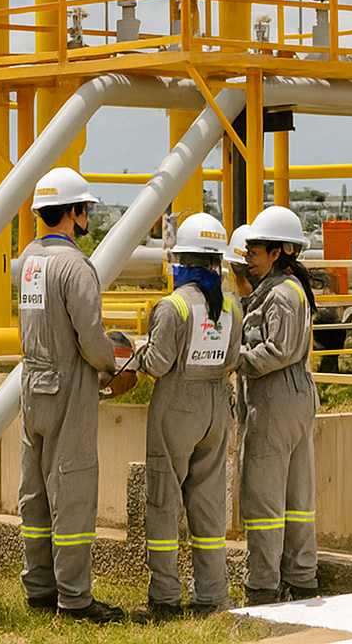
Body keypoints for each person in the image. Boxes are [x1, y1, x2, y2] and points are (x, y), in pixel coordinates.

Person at [14, 168, 124, 623]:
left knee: (35, 493)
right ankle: (75, 599)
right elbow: (91, 338)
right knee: (72, 488)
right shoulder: (75, 266)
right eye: (86, 210)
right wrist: (115, 366)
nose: (87, 217)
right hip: (68, 389)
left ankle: (39, 589)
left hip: (32, 385)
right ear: (75, 212)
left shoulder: (28, 260)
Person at [131, 213, 242, 622]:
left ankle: (164, 597)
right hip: (217, 405)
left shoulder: (173, 306)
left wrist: (138, 353)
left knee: (163, 501)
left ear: (182, 261)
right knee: (209, 504)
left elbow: (158, 363)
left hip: (177, 407)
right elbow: (232, 359)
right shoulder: (232, 305)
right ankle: (212, 596)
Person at [236, 205, 319, 605]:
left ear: (277, 252)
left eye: (255, 248)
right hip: (296, 397)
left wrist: (234, 359)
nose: (248, 254)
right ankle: (302, 578)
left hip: (275, 399)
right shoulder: (285, 289)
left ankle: (263, 585)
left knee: (264, 495)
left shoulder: (281, 294)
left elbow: (278, 350)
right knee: (297, 496)